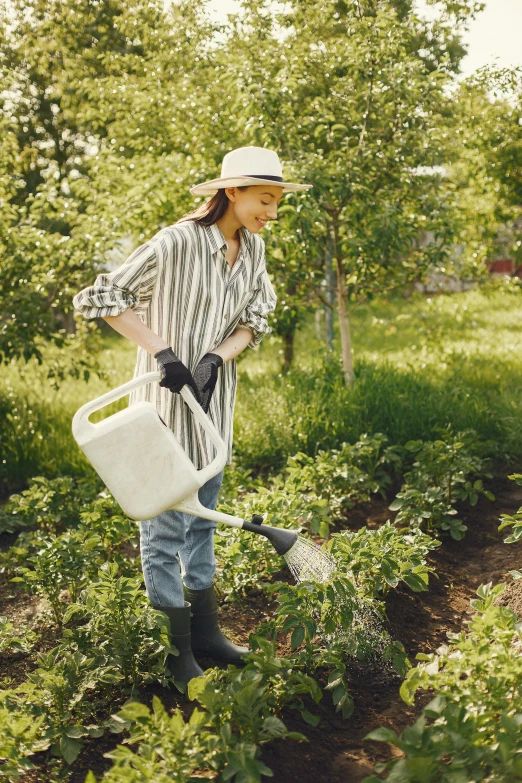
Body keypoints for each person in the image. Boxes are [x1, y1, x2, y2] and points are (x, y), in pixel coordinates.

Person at [72, 146, 312, 684]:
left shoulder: (252, 252)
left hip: (212, 409)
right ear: (232, 192)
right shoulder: (177, 242)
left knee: (202, 522)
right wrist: (163, 353)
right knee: (163, 532)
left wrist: (212, 359)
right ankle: (174, 654)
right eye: (264, 200)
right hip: (159, 414)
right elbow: (102, 297)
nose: (271, 212)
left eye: (277, 202)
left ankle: (206, 635)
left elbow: (256, 319)